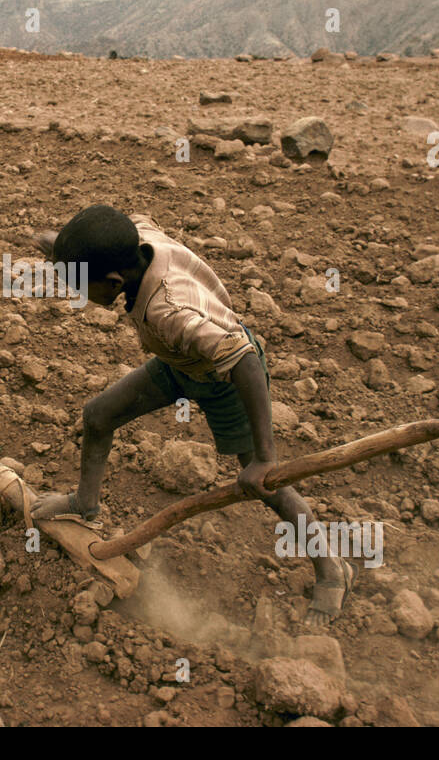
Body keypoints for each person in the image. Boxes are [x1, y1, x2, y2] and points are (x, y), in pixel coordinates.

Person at [29, 204, 352, 624]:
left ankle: (331, 569)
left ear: (112, 283)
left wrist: (265, 459)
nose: (74, 293)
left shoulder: (169, 310)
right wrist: (64, 250)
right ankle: (84, 504)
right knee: (97, 416)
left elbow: (245, 361)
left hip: (225, 381)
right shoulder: (136, 240)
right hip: (178, 364)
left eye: (76, 284)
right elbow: (123, 226)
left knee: (269, 485)